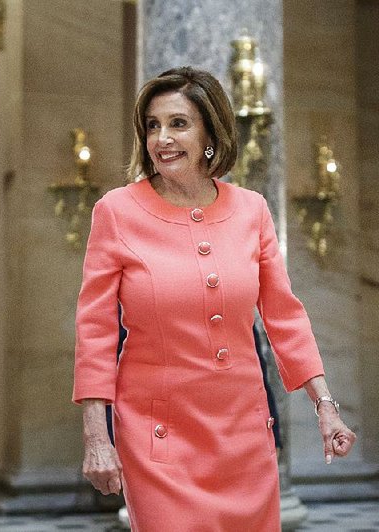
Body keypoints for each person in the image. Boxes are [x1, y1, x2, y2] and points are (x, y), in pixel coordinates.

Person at [73, 66, 356, 530]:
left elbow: (284, 316)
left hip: (244, 431)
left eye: (178, 124)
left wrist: (325, 406)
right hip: (158, 434)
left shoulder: (252, 210)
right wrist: (95, 435)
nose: (162, 138)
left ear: (211, 133)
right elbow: (95, 328)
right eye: (152, 126)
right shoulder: (116, 212)